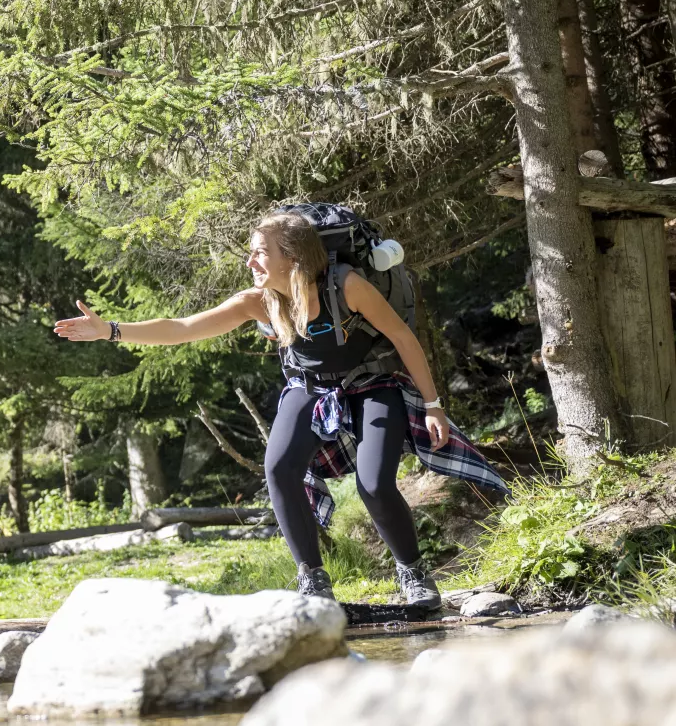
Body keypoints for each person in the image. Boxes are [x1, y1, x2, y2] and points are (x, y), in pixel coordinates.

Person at [54, 210, 506, 607]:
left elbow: (405, 339)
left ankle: (413, 572)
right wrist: (111, 330)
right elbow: (183, 328)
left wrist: (433, 405)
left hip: (373, 384)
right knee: (279, 469)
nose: (250, 262)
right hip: (308, 388)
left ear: (293, 256)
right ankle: (313, 579)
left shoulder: (348, 287)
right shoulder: (259, 301)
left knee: (373, 483)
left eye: (259, 253)